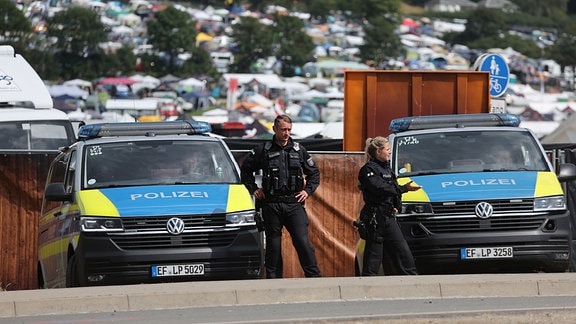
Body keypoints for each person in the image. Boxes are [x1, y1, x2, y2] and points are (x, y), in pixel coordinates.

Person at [241, 114, 321, 278]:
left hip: (294, 203)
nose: (286, 133)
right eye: (283, 129)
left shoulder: (299, 150)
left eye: (289, 130)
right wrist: (254, 189)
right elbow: (245, 170)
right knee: (273, 245)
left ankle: (314, 277)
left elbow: (314, 174)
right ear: (275, 129)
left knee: (302, 241)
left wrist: (307, 191)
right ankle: (274, 280)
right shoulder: (263, 150)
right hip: (272, 204)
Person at [357, 136, 422, 276]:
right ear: (378, 151)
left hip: (389, 215)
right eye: (387, 150)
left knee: (402, 251)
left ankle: (412, 281)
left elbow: (393, 189)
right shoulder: (368, 170)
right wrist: (404, 189)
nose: (389, 153)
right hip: (376, 216)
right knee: (374, 256)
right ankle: (368, 286)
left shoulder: (387, 169)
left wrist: (396, 205)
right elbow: (380, 187)